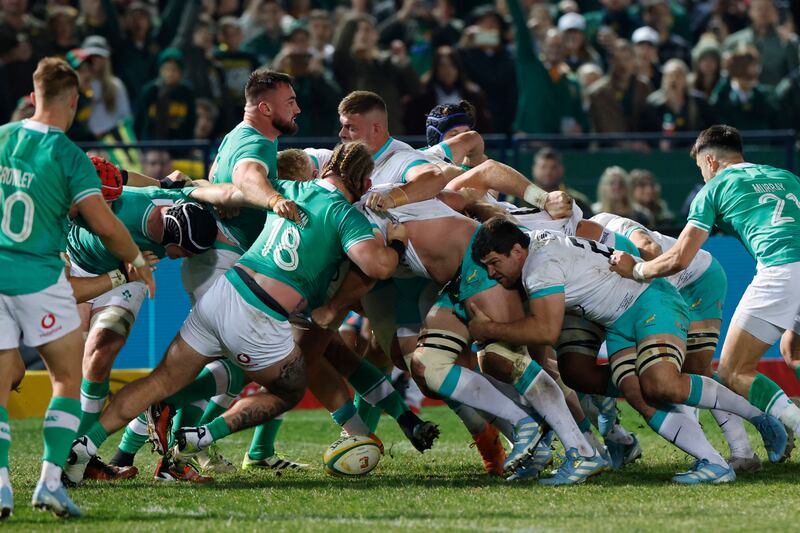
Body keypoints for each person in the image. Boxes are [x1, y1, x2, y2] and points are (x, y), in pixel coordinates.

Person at [64, 142, 406, 484]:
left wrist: (201, 187)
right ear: (364, 185)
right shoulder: (344, 215)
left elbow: (238, 185)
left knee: (162, 382)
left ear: (327, 167)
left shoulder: (290, 188)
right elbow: (378, 265)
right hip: (257, 315)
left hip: (222, 293)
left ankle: (87, 443)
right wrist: (397, 240)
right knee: (289, 389)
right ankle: (201, 438)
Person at [470, 218, 786, 484]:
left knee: (663, 384)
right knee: (638, 394)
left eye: (494, 264)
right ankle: (714, 463)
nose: (492, 274)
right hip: (619, 319)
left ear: (516, 250)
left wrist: (490, 330)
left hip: (651, 300)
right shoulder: (539, 239)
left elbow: (545, 331)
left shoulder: (539, 267)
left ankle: (760, 418)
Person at [0, 57, 152, 519]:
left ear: (33, 94)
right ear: (74, 99)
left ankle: (2, 487)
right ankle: (49, 482)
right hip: (41, 280)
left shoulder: (3, 138)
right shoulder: (69, 156)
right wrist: (137, 260)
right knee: (68, 378)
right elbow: (105, 224)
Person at [610, 124, 800, 441]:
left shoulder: (713, 189)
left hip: (781, 269)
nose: (703, 176)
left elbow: (679, 259)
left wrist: (637, 271)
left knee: (732, 370)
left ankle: (792, 423)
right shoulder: (786, 177)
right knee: (792, 351)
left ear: (709, 161)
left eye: (701, 168)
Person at [507, 0, 588, 135]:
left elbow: (580, 116)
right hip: (528, 142)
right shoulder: (530, 65)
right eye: (551, 45)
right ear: (542, 45)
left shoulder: (571, 80)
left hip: (558, 146)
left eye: (559, 45)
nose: (555, 49)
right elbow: (521, 28)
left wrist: (580, 128)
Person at [402, 46, 491, 136]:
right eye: (443, 66)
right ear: (435, 68)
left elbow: (483, 128)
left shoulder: (473, 95)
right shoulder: (421, 96)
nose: (448, 70)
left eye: (452, 65)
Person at [723, 0, 799, 88]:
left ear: (775, 12)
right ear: (750, 11)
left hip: (776, 98)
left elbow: (795, 77)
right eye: (759, 8)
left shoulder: (788, 41)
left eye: (767, 8)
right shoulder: (733, 42)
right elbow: (725, 77)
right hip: (743, 99)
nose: (763, 12)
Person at [133, 48, 196, 143]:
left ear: (181, 72)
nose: (170, 74)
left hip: (179, 146)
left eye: (174, 70)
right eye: (167, 69)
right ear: (160, 70)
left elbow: (191, 123)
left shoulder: (187, 93)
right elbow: (139, 122)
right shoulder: (150, 91)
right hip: (150, 146)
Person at [531, 148, 592, 216]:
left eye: (553, 167)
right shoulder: (521, 199)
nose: (548, 172)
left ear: (561, 170)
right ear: (534, 169)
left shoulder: (577, 202)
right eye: (543, 167)